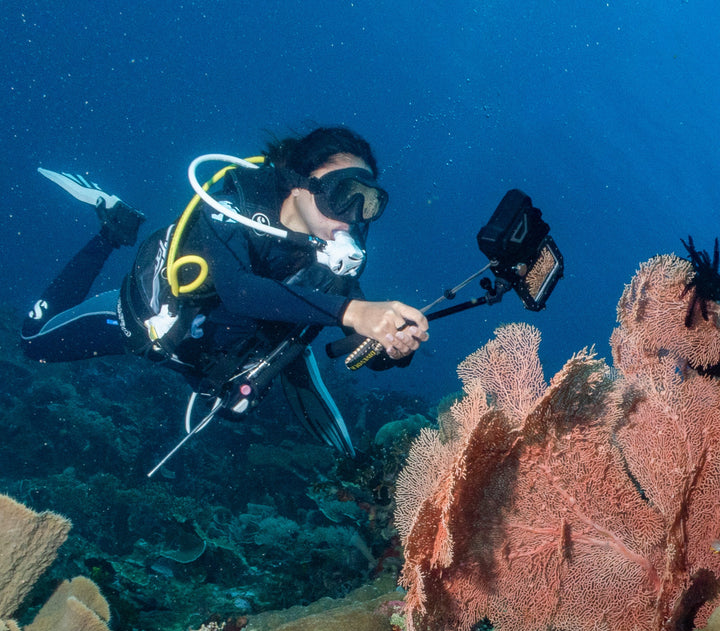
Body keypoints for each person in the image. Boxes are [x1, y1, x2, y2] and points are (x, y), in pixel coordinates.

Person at [21, 125, 429, 458]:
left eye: (368, 203)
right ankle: (113, 228)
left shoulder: (335, 260)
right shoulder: (230, 205)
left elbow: (358, 339)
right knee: (33, 345)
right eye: (343, 196)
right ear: (299, 184)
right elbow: (240, 293)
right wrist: (356, 312)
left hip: (216, 359)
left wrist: (392, 348)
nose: (352, 218)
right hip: (149, 325)